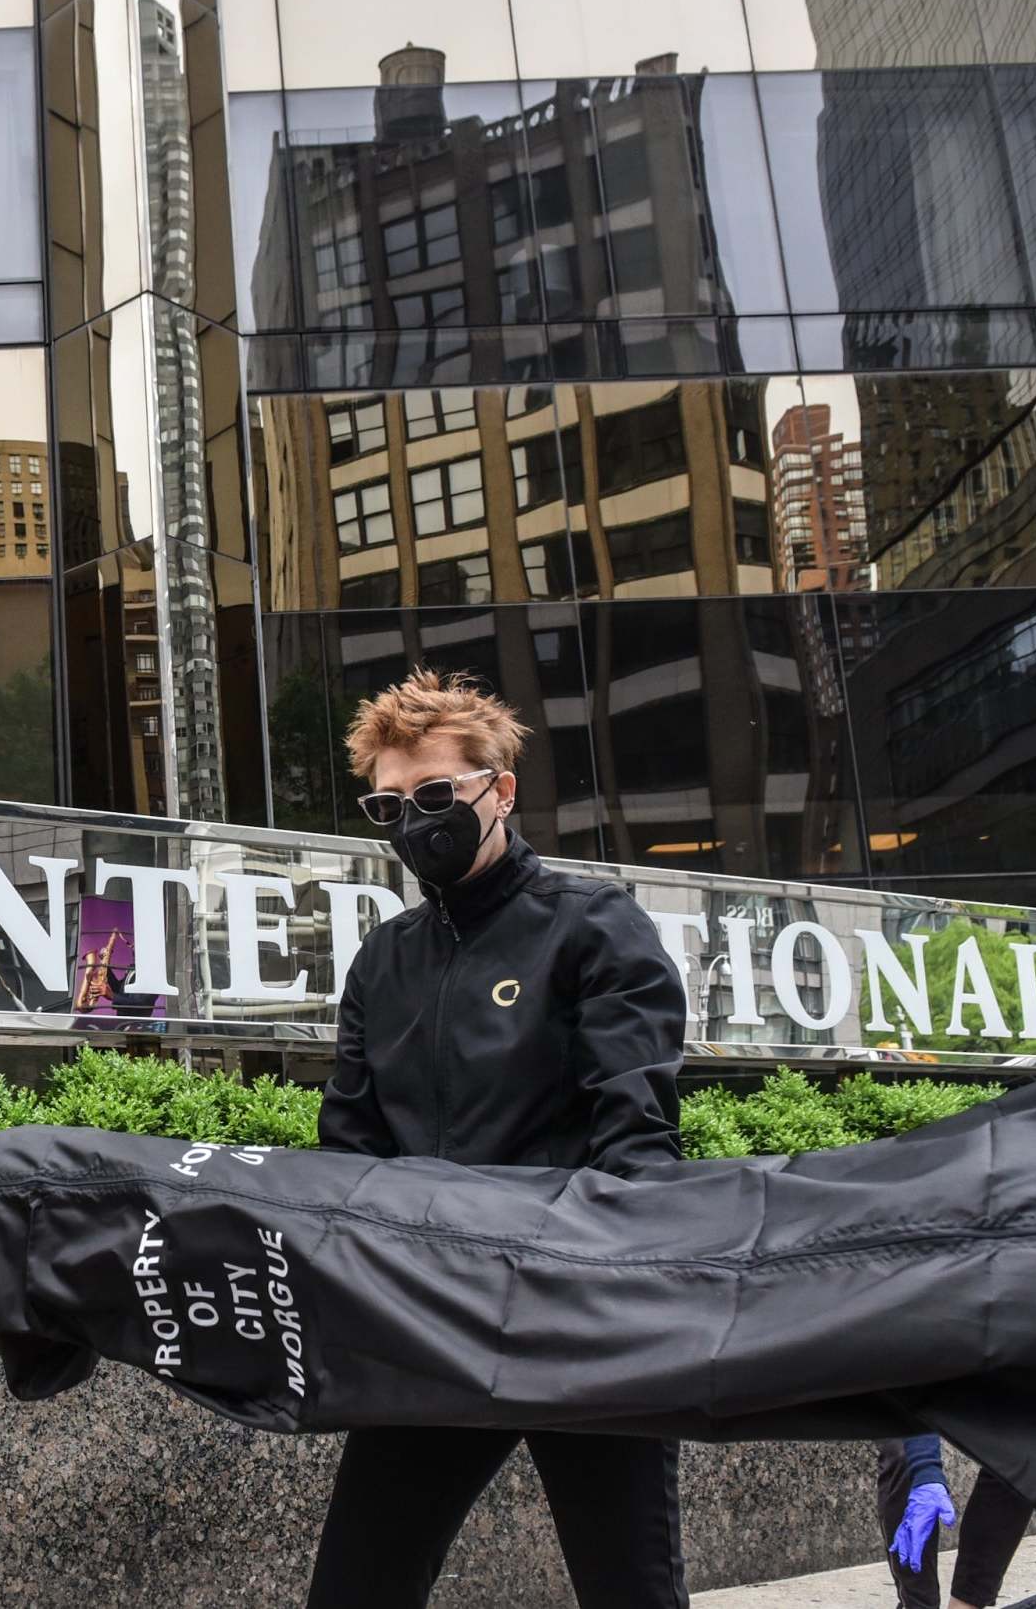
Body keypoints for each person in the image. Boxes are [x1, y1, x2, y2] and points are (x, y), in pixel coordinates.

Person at [307, 669, 690, 1609]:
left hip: (581, 1320)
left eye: (435, 794)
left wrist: (626, 1288)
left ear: (499, 791)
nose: (415, 820)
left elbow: (635, 1128)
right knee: (355, 1588)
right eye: (389, 804)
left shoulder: (593, 924)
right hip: (432, 1320)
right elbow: (349, 1147)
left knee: (630, 1588)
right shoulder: (382, 959)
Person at [881, 1432, 1036, 1609]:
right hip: (911, 1409)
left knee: (1022, 1450)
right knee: (904, 1456)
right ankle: (916, 1605)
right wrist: (925, 1469)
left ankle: (965, 1604)